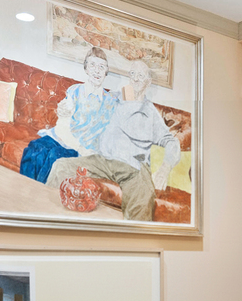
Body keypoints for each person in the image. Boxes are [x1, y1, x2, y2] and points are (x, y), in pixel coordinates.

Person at [50, 59, 181, 221]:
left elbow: (172, 142)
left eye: (141, 75)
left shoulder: (149, 111)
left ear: (148, 81)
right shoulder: (112, 98)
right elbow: (85, 106)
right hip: (103, 160)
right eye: (132, 74)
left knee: (142, 197)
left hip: (134, 167)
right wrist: (66, 109)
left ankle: (133, 242)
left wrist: (165, 168)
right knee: (60, 167)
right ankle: (51, 222)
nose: (136, 79)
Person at [47, 47, 118, 154]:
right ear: (86, 68)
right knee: (39, 151)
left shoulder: (111, 101)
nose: (97, 70)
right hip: (68, 142)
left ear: (106, 72)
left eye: (101, 66)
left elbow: (110, 135)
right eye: (92, 65)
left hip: (92, 151)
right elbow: (63, 126)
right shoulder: (74, 91)